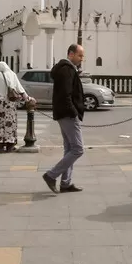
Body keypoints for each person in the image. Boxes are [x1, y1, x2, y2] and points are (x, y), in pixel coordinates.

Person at [42, 44, 86, 193]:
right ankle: (51, 175)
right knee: (78, 149)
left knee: (69, 148)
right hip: (67, 114)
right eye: (80, 55)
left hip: (63, 113)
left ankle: (66, 183)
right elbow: (66, 94)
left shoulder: (64, 69)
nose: (82, 59)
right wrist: (73, 112)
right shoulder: (67, 70)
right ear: (71, 54)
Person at [0, 61, 30, 152]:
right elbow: (20, 88)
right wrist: (27, 98)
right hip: (10, 103)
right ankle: (10, 144)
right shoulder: (12, 74)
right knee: (10, 123)